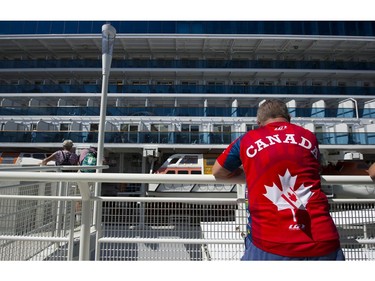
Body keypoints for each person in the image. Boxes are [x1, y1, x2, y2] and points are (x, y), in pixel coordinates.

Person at [212, 99, 345, 261]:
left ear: (258, 122)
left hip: (269, 242)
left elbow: (218, 171)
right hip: (323, 238)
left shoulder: (248, 139)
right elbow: (312, 170)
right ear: (288, 118)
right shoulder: (309, 137)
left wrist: (251, 173)